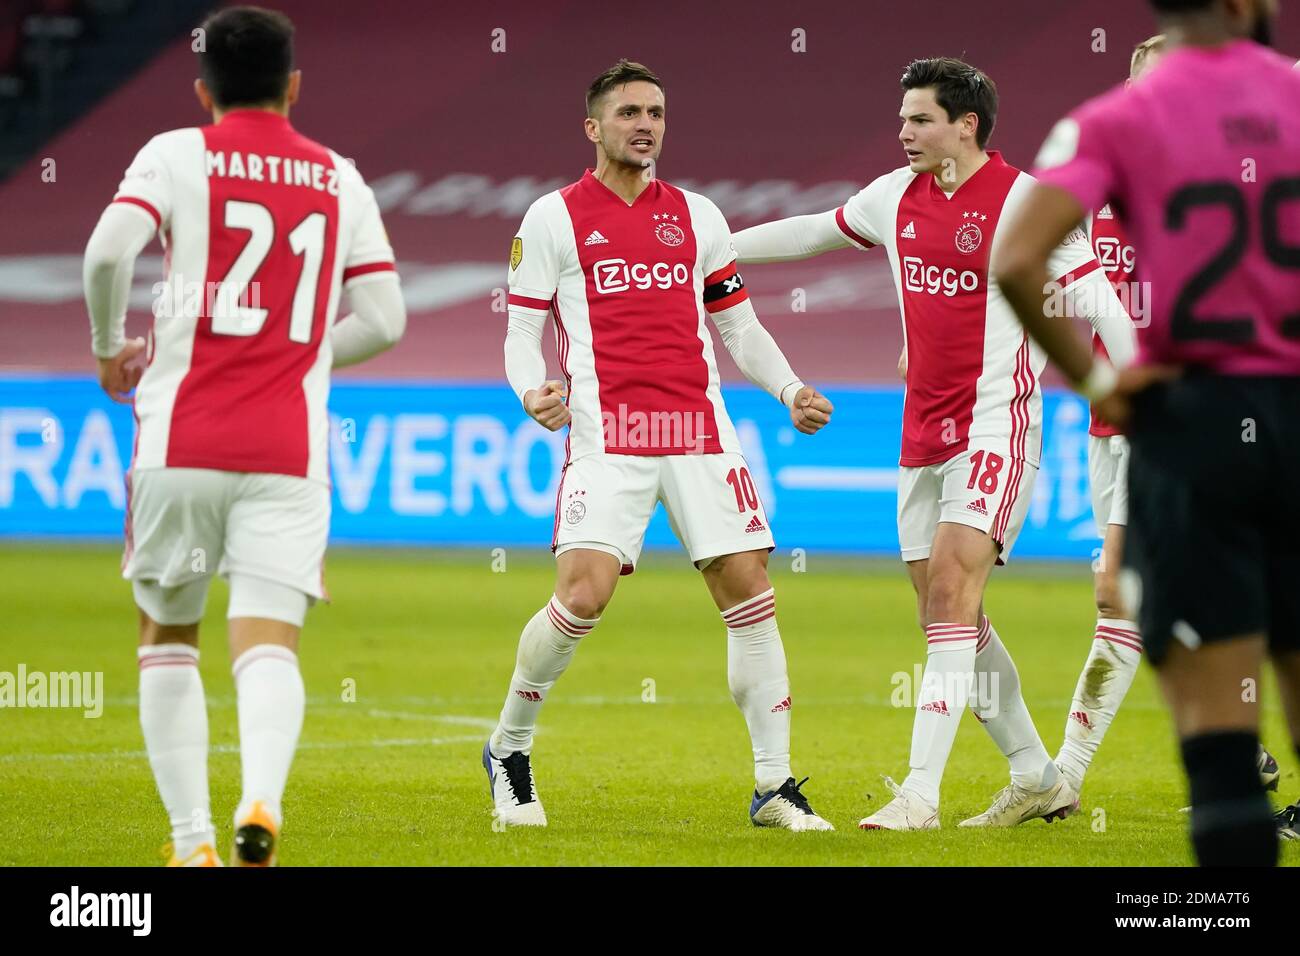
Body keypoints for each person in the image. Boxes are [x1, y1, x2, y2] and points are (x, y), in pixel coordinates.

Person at [734, 57, 1134, 829]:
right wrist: (714, 248)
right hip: (921, 432)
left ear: (966, 126)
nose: (903, 132)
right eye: (904, 117)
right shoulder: (894, 196)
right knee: (950, 614)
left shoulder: (1028, 205)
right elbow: (816, 231)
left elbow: (1103, 306)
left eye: (919, 119)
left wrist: (1129, 386)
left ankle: (920, 791)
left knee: (951, 591)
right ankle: (1036, 774)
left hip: (997, 426)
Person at [82, 5, 405, 866]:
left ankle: (191, 844)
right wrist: (301, 358)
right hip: (286, 455)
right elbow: (386, 318)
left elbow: (108, 254)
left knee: (168, 635)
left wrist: (110, 347)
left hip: (180, 443)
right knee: (267, 641)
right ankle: (260, 797)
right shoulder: (339, 176)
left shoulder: (174, 153)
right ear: (294, 86)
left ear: (202, 89)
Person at [485, 60, 836, 831]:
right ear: (594, 127)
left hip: (700, 433)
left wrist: (788, 390)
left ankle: (774, 786)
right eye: (630, 112)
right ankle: (509, 750)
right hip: (607, 435)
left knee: (748, 588)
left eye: (657, 112)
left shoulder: (701, 216)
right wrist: (529, 390)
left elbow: (738, 325)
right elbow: (521, 329)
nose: (646, 124)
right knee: (583, 594)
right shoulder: (551, 217)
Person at [995, 0, 1300, 866]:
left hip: (1186, 420)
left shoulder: (1112, 126)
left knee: (1214, 731)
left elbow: (1015, 259)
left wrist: (1101, 380)